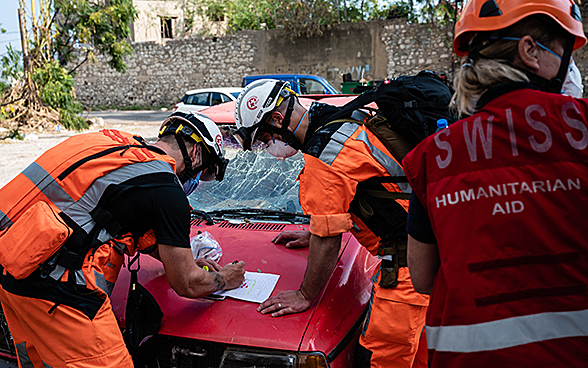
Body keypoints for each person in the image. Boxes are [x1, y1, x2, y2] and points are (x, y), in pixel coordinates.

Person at [402, 0, 588, 367]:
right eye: (565, 49)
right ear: (530, 50)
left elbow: (422, 277)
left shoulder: (431, 157)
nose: (570, 64)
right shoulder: (582, 128)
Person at [0, 111, 245, 367]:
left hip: (13, 271)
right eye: (206, 173)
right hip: (61, 293)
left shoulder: (115, 147)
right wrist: (225, 279)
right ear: (195, 152)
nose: (198, 181)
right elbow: (187, 284)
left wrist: (185, 258)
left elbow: (111, 212)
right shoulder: (167, 189)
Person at [233, 79, 429, 368]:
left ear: (277, 119)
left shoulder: (324, 152)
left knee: (383, 357)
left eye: (263, 137)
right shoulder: (346, 119)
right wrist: (314, 231)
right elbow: (370, 190)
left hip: (406, 266)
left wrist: (305, 295)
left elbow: (328, 238)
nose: (265, 147)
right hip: (433, 250)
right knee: (421, 354)